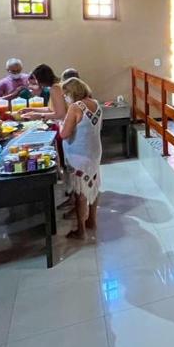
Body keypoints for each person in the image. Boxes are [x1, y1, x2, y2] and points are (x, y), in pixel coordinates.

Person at [59, 77, 103, 239]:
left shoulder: (75, 107)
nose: (65, 97)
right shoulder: (96, 104)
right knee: (94, 185)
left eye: (66, 94)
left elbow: (65, 134)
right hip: (94, 152)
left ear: (72, 92)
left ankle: (81, 230)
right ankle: (92, 220)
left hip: (79, 154)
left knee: (80, 192)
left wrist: (60, 124)